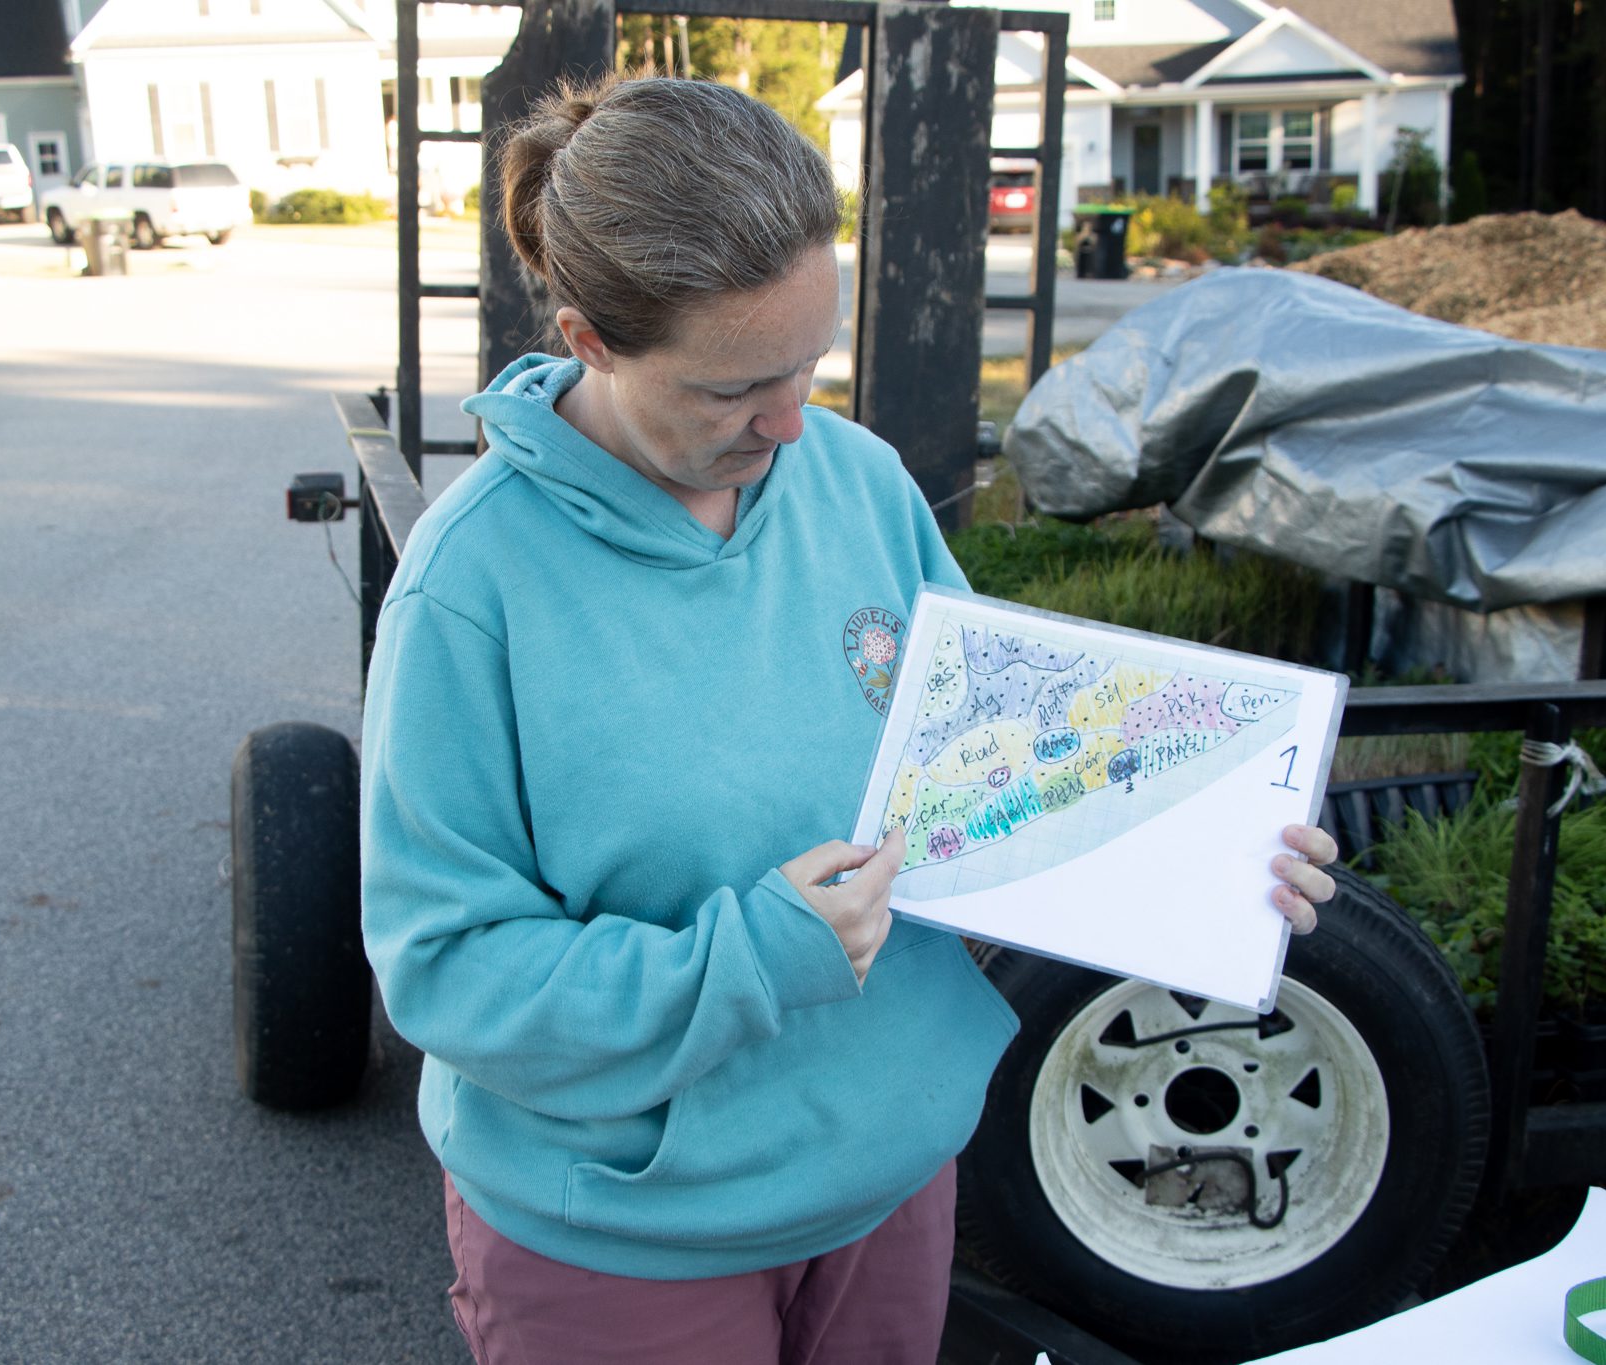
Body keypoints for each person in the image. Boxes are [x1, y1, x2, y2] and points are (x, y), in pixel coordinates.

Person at [359, 75, 1341, 1365]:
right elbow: (449, 969)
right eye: (733, 390)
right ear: (588, 338)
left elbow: (1001, 772)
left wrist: (1197, 854)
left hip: (887, 1182)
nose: (787, 422)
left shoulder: (858, 480)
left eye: (808, 364)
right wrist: (753, 957)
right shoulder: (471, 588)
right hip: (629, 1235)